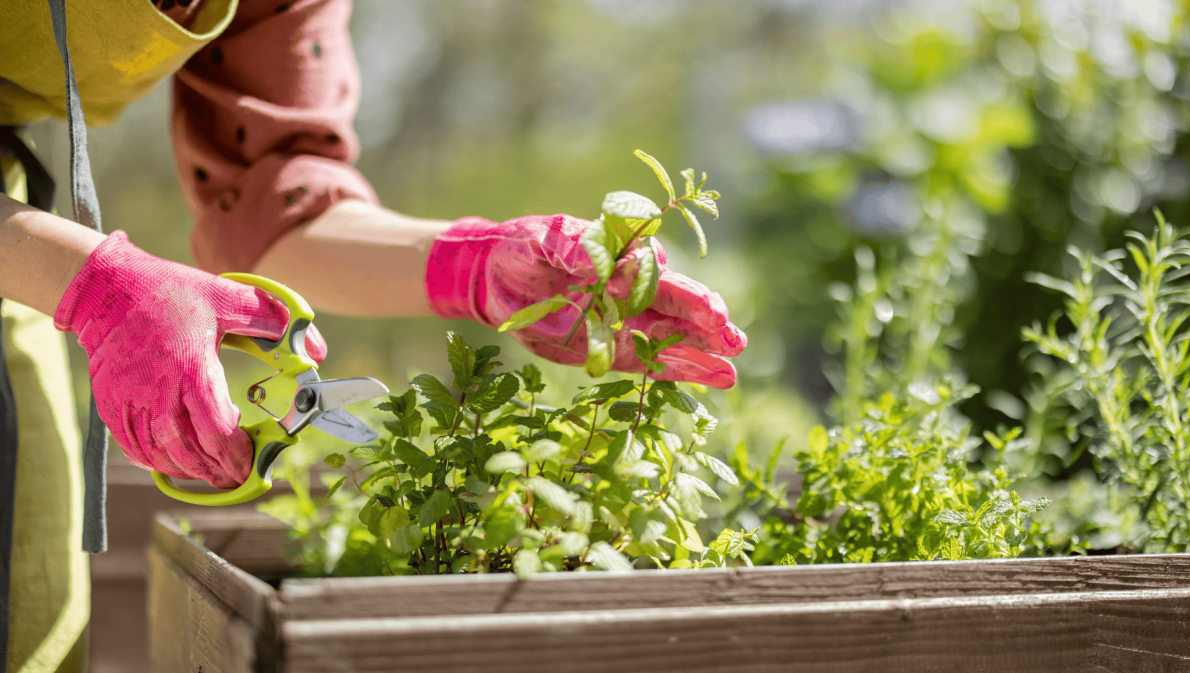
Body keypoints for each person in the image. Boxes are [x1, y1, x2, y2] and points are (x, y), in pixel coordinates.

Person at [0, 0, 746, 669]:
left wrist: (474, 266)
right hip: (38, 258)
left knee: (37, 615)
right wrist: (91, 283)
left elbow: (274, 199)